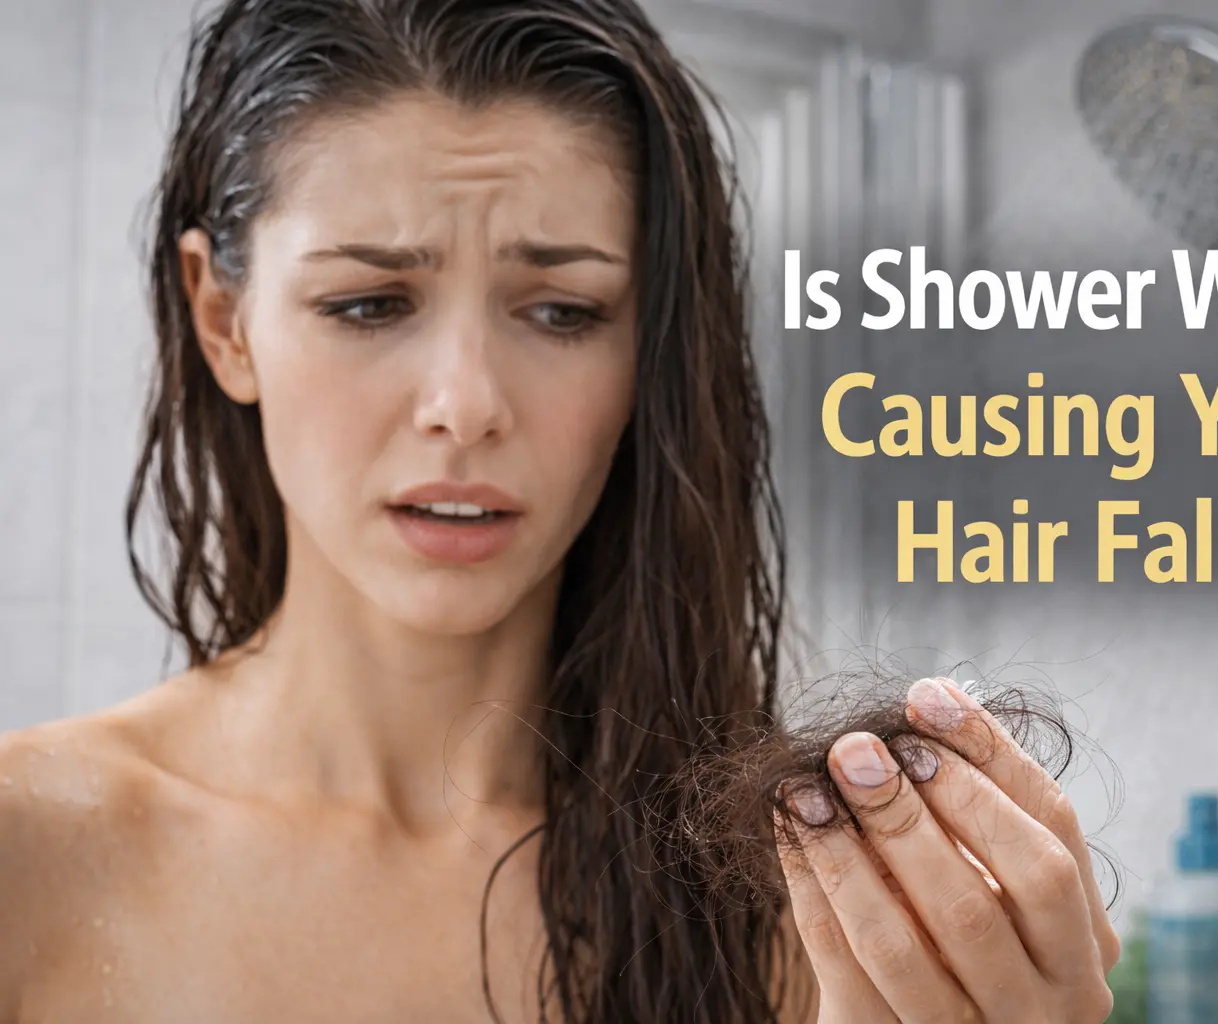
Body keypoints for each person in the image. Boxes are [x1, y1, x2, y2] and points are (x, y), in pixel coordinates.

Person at [0, 1, 1119, 1021]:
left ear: (651, 353)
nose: (468, 405)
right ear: (225, 319)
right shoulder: (30, 851)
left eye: (563, 311)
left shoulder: (804, 914)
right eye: (369, 302)